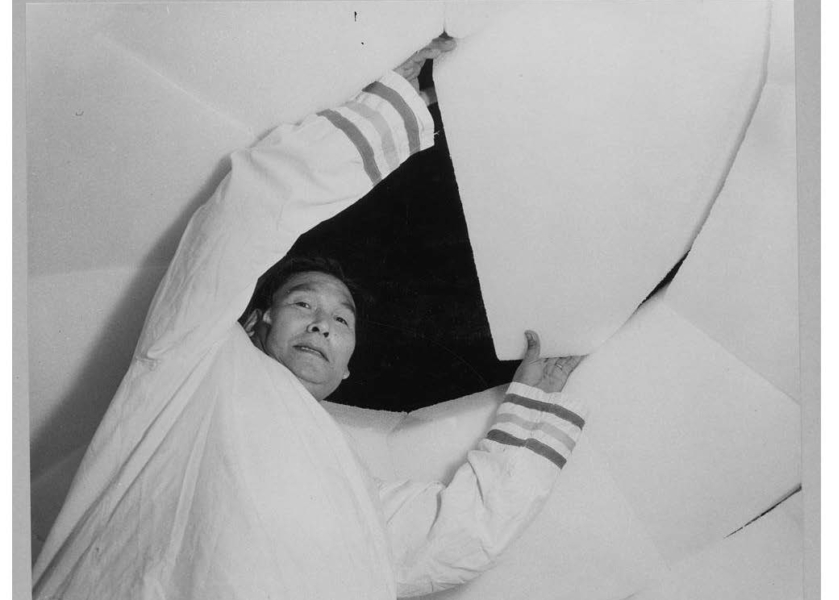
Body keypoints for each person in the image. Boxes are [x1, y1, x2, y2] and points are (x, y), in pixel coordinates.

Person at [32, 35, 588, 599]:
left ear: (346, 369)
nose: (323, 323)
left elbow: (461, 536)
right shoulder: (196, 357)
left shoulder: (357, 494)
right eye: (303, 304)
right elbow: (241, 220)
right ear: (255, 322)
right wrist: (385, 114)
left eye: (342, 321)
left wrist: (531, 411)